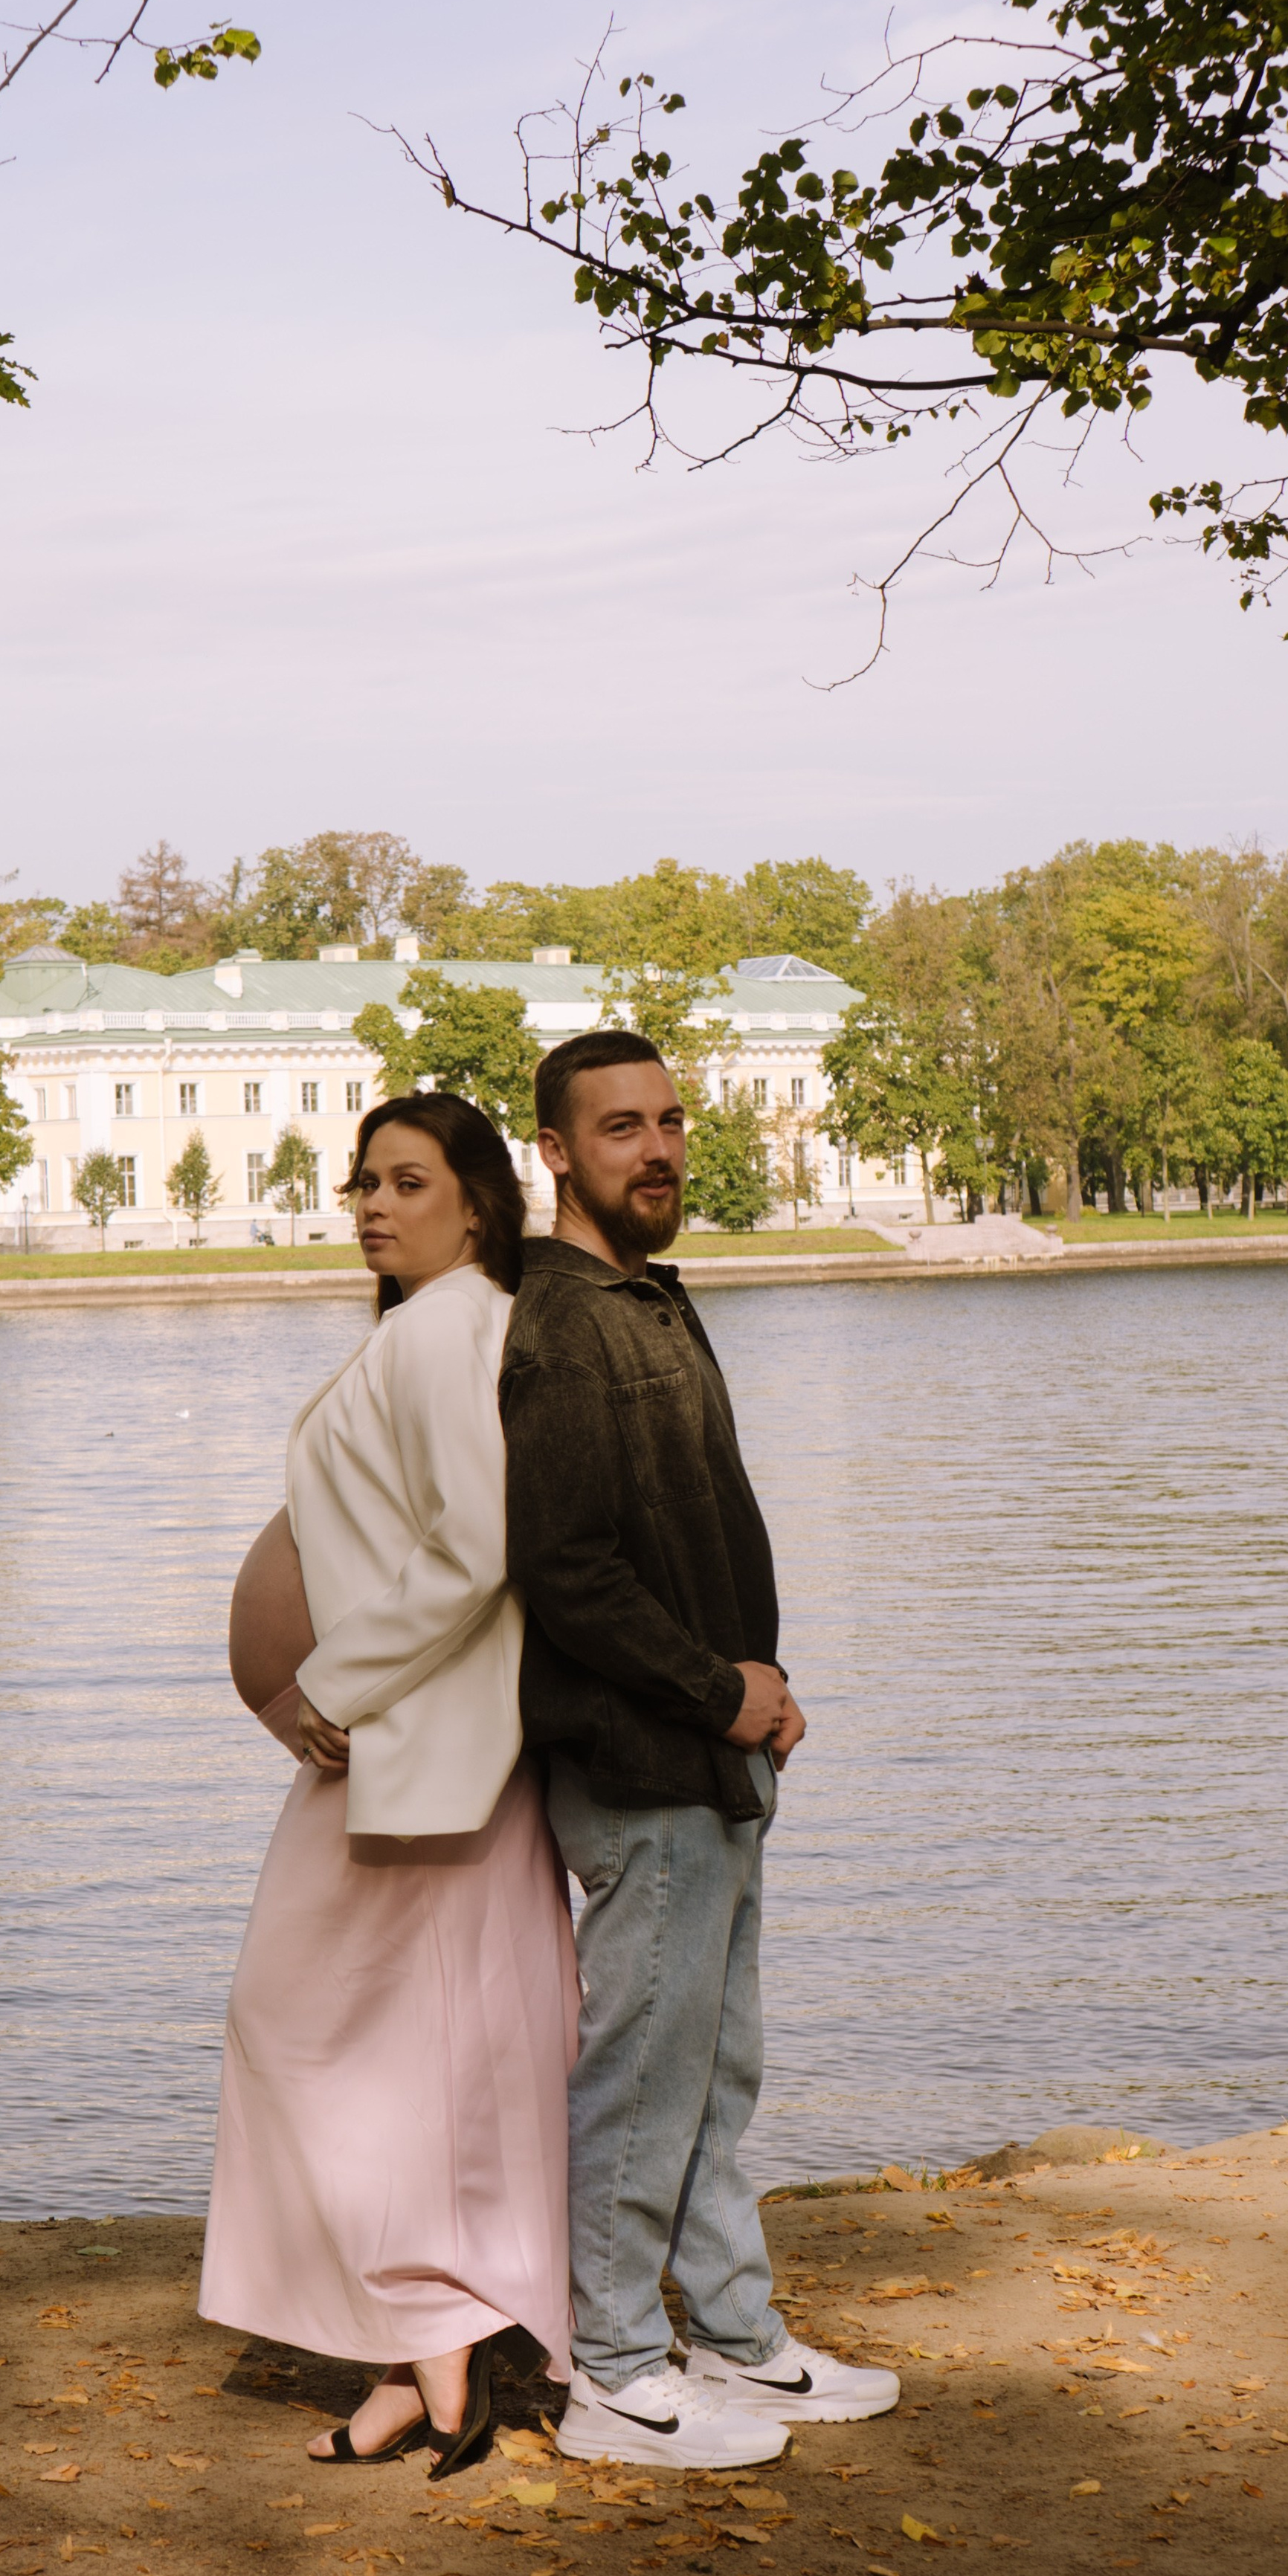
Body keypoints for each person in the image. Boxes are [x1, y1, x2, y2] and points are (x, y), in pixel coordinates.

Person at [500, 1029, 901, 2468]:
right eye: (619, 1128)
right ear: (554, 1151)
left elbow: (689, 1539)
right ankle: (609, 2370)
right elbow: (564, 1565)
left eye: (668, 1122)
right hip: (633, 1761)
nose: (655, 1149)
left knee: (715, 2070)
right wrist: (709, 1690)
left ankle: (733, 2340)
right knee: (639, 2075)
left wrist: (764, 1688)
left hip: (715, 1758)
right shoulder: (552, 1325)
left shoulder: (650, 1300)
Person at [202, 1093, 578, 2479]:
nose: (372, 1203)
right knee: (433, 2058)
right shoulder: (448, 1325)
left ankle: (435, 2342)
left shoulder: (445, 1327)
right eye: (363, 1180)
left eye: (408, 1182)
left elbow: (475, 1548)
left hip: (409, 1752)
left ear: (477, 1203)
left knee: (300, 2026)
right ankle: (424, 2359)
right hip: (418, 1757)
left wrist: (329, 1687)